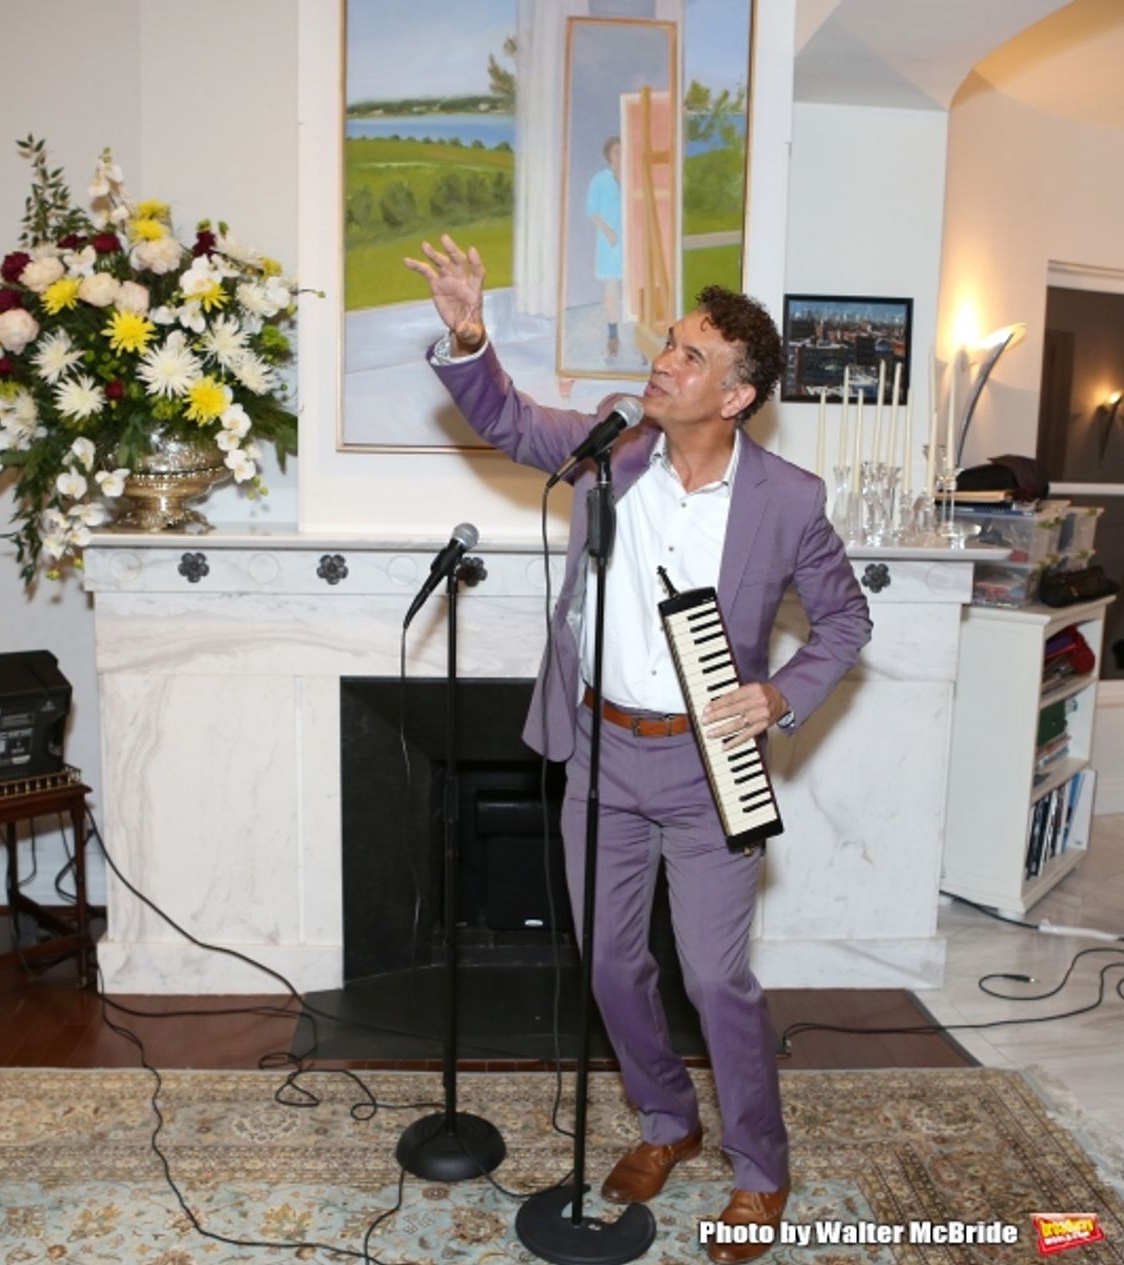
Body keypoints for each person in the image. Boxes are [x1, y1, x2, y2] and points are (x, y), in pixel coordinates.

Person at [404, 234, 871, 1264]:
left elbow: (843, 621)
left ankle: (761, 1166)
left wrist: (781, 693)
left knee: (714, 977)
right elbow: (505, 415)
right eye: (669, 343)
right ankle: (667, 1121)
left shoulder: (788, 499)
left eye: (692, 355)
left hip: (711, 772)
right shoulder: (608, 451)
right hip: (602, 754)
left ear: (738, 394)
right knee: (613, 962)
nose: (665, 361)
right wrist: (468, 329)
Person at [586, 136, 623, 358]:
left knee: (638, 288)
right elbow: (592, 211)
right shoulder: (599, 180)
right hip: (610, 243)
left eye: (623, 151)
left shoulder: (632, 178)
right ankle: (613, 335)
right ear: (609, 155)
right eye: (617, 151)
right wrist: (608, 231)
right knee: (611, 290)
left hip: (630, 241)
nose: (620, 155)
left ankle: (644, 335)